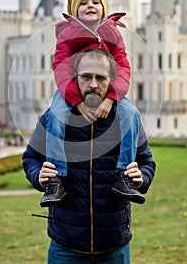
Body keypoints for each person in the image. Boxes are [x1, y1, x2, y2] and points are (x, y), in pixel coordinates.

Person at [23, 48, 156, 264]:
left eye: (100, 77)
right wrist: (39, 175)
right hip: (65, 246)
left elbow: (147, 162)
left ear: (111, 80)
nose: (93, 84)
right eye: (86, 77)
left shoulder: (126, 119)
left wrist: (142, 177)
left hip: (114, 247)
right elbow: (31, 158)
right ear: (75, 79)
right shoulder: (55, 117)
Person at [42, 0, 143, 207]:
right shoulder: (67, 34)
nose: (90, 5)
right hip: (72, 90)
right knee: (56, 115)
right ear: (74, 10)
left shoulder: (112, 33)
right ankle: (55, 178)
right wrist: (75, 101)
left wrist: (111, 98)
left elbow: (123, 67)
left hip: (106, 90)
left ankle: (124, 175)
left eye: (96, 2)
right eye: (84, 2)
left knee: (131, 114)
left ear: (103, 9)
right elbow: (61, 68)